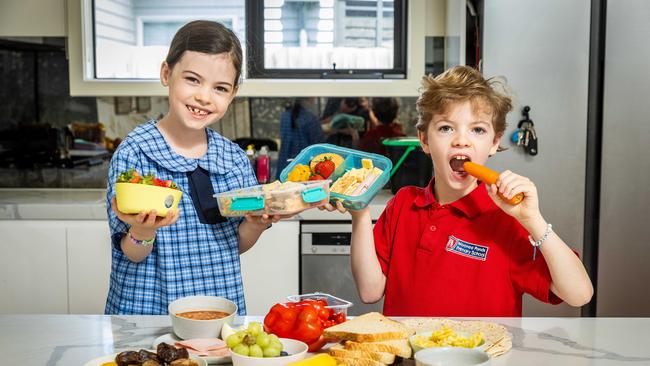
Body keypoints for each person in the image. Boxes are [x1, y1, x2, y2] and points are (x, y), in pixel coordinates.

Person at [323, 66, 593, 316]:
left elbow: (579, 294)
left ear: (493, 143)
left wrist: (533, 220)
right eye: (446, 128)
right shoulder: (404, 203)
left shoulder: (507, 218)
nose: (461, 140)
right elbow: (370, 292)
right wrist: (359, 214)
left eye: (477, 130)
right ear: (425, 141)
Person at [105, 20, 282, 315]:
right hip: (147, 316)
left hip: (217, 314)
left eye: (220, 88)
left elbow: (234, 244)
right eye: (193, 79)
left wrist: (256, 224)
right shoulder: (135, 153)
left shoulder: (234, 159)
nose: (204, 96)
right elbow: (132, 254)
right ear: (166, 73)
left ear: (233, 93)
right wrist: (141, 228)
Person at [277, 98, 325, 176]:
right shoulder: (311, 119)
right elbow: (319, 148)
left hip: (284, 167)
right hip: (304, 168)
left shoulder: (285, 116)